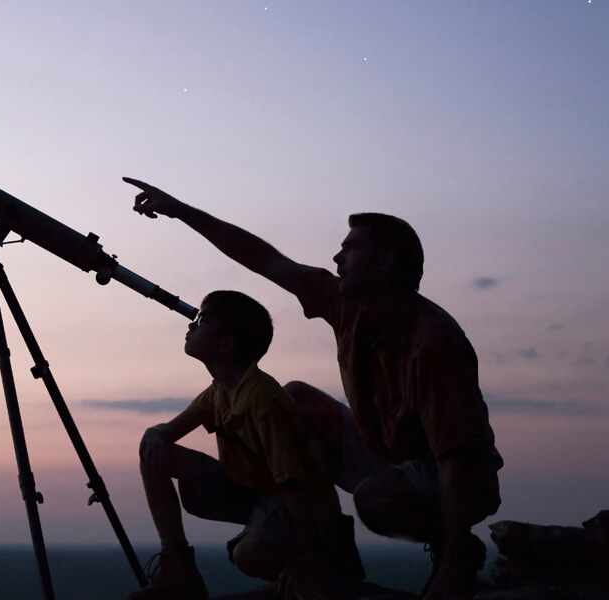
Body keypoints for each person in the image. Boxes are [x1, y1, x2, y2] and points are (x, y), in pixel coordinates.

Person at [124, 177, 502, 600]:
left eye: (351, 247)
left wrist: (452, 567)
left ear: (387, 261)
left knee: (374, 499)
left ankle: (455, 552)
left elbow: (456, 459)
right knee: (298, 396)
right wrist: (181, 210)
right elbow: (264, 258)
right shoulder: (346, 304)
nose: (337, 255)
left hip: (454, 477)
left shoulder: (432, 342)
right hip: (388, 457)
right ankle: (323, 544)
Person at [127, 290, 364, 600]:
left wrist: (306, 562)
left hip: (301, 505)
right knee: (152, 455)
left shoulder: (261, 398)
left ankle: (317, 569)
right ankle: (179, 569)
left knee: (246, 555)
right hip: (255, 492)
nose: (191, 325)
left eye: (203, 319)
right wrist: (153, 434)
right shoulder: (219, 392)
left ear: (227, 343)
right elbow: (166, 433)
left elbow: (295, 486)